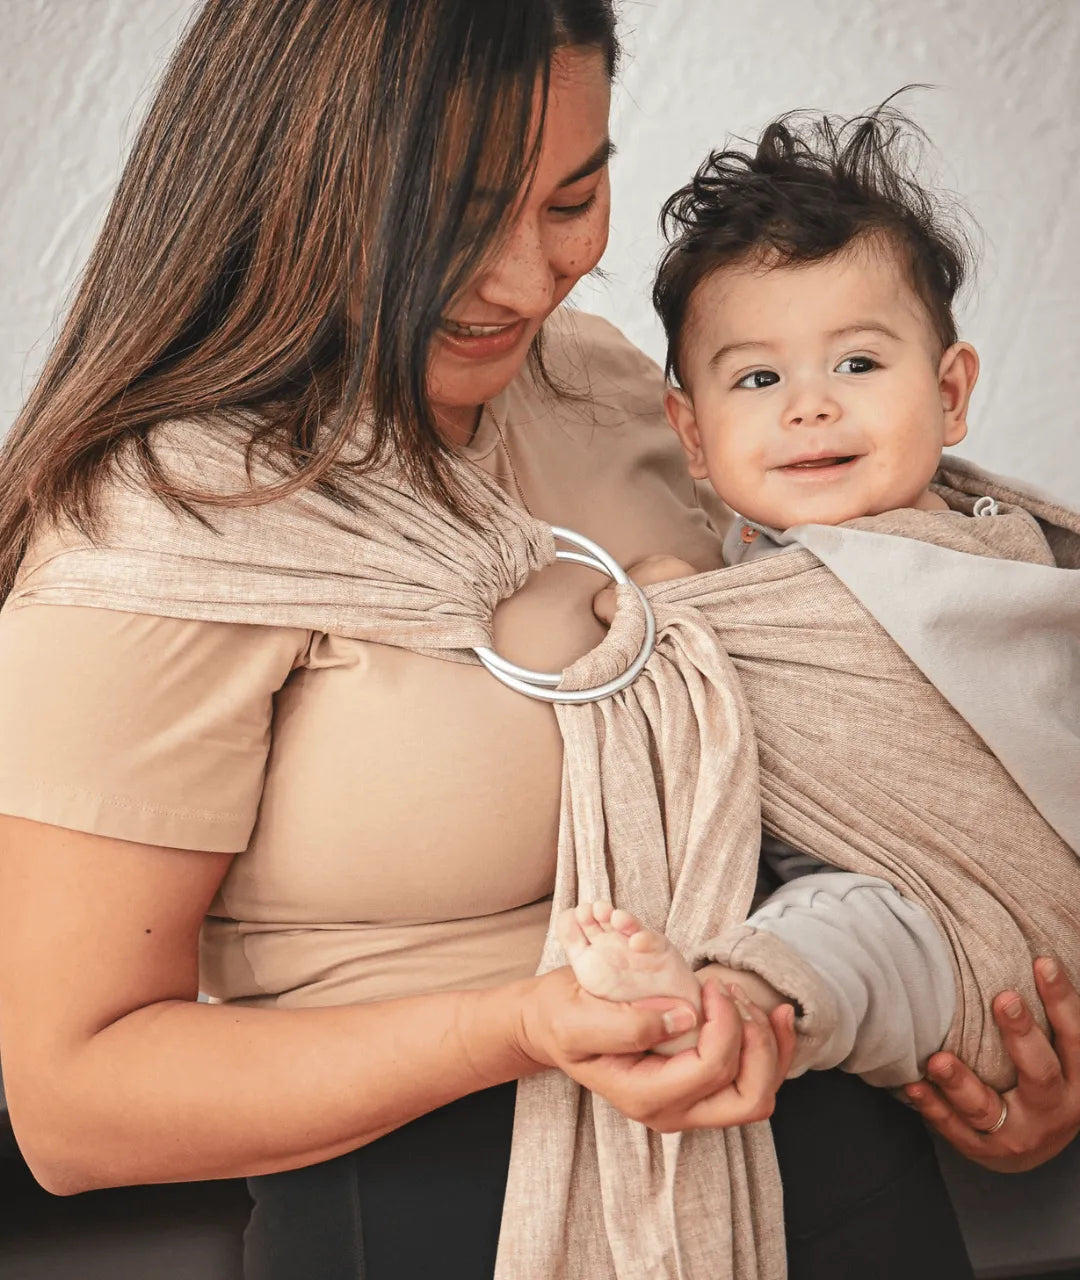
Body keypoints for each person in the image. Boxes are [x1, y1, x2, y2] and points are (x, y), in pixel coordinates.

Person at [0, 5, 1076, 1278]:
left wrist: (986, 1045)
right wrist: (520, 1025)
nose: (524, 279)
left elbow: (854, 750)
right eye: (453, 218)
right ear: (299, 188)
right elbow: (75, 1104)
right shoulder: (163, 528)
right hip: (448, 1224)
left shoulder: (607, 384)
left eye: (571, 200)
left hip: (849, 1175)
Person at [566, 103, 1077, 1098]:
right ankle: (720, 1003)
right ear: (693, 435)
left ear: (950, 393)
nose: (810, 405)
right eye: (759, 377)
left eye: (858, 364)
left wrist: (681, 613)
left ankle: (742, 1004)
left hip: (979, 932)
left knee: (859, 933)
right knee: (820, 927)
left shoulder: (990, 564)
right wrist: (700, 614)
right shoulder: (742, 576)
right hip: (838, 896)